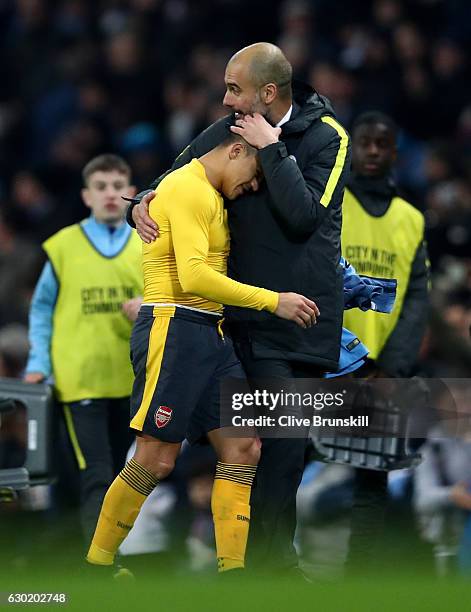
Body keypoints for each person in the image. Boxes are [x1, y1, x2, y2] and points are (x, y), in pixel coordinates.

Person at [129, 42, 350, 573]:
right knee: (243, 451)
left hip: (294, 326)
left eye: (235, 88)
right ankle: (243, 569)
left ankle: (270, 570)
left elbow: (303, 217)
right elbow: (175, 178)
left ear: (267, 93)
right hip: (230, 320)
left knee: (282, 454)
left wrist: (272, 148)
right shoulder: (229, 127)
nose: (227, 99)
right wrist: (140, 202)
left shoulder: (328, 138)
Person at [86, 133, 319, 574]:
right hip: (174, 328)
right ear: (235, 150)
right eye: (253, 176)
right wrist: (275, 301)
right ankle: (97, 564)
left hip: (210, 333)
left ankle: (233, 572)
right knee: (156, 457)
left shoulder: (206, 193)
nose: (252, 187)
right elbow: (193, 275)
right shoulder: (187, 187)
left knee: (243, 447)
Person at [24, 154, 143, 542]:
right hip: (82, 379)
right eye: (101, 187)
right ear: (86, 196)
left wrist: (149, 309)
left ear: (132, 194)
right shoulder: (63, 247)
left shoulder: (149, 243)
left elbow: (171, 299)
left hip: (133, 377)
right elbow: (42, 309)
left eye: (117, 186)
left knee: (126, 475)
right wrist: (39, 360)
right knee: (97, 471)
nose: (110, 195)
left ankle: (112, 556)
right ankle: (101, 565)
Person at [341, 111, 430, 570]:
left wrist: (392, 366)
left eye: (382, 143)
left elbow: (417, 299)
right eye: (365, 142)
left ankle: (356, 582)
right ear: (352, 148)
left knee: (370, 479)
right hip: (321, 359)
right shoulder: (328, 204)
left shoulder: (412, 219)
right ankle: (280, 571)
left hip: (381, 372)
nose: (373, 151)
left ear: (395, 152)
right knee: (286, 468)